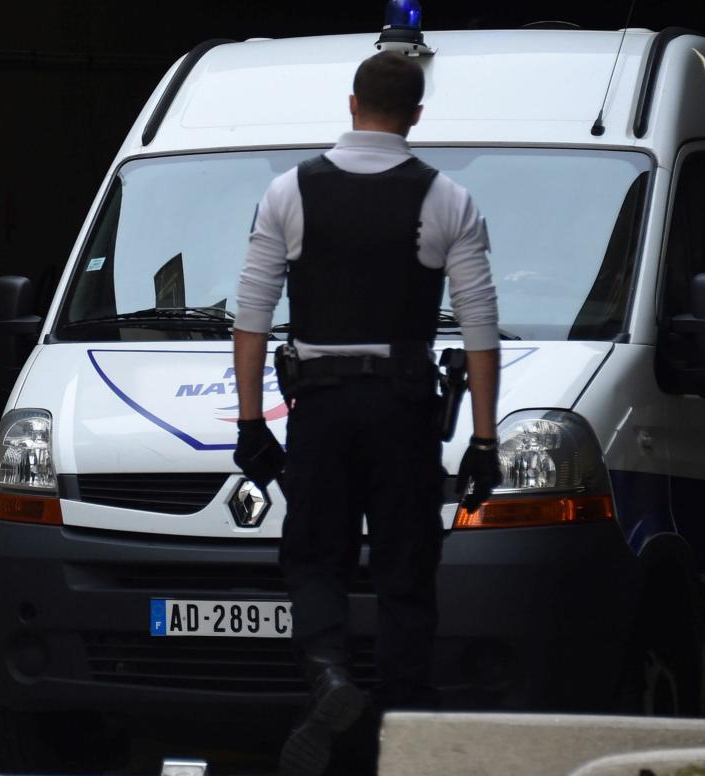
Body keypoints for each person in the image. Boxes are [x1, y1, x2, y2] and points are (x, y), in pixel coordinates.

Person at [231, 51, 502, 776]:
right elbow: (479, 327)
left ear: (352, 104)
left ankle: (328, 676)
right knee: (406, 570)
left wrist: (251, 422)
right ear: (416, 113)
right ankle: (406, 729)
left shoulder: (289, 192)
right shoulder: (448, 199)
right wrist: (483, 438)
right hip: (405, 407)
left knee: (315, 555)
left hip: (319, 405)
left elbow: (252, 316)